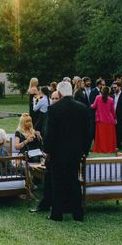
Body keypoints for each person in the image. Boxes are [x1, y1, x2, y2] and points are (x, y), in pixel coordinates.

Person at [43, 80, 90, 222]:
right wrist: (85, 150)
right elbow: (88, 132)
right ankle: (77, 213)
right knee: (74, 181)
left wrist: (47, 150)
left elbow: (49, 133)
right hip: (76, 152)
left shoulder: (54, 109)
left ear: (60, 92)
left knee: (57, 182)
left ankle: (57, 214)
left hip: (58, 152)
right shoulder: (82, 108)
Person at [29, 85, 64, 214]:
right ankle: (45, 204)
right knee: (48, 179)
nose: (54, 100)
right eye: (53, 98)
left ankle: (56, 206)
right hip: (48, 151)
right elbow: (41, 127)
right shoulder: (48, 112)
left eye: (57, 98)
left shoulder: (61, 114)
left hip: (58, 153)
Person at [91, 86, 117, 153]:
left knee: (101, 137)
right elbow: (113, 111)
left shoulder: (98, 97)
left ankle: (101, 149)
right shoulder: (111, 100)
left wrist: (90, 105)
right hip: (110, 121)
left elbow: (93, 106)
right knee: (109, 137)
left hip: (100, 121)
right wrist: (115, 119)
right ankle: (109, 149)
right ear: (109, 92)